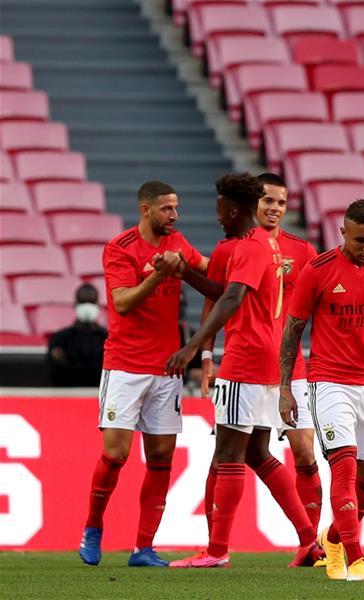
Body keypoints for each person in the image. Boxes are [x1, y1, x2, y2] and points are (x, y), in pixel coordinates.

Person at [165, 173, 320, 569]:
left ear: (234, 210)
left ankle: (217, 551)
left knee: (228, 455)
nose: (218, 218)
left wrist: (194, 345)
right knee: (259, 453)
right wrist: (186, 273)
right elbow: (228, 291)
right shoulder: (267, 246)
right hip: (271, 361)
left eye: (220, 210)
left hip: (246, 360)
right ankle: (308, 539)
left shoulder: (250, 248)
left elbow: (233, 298)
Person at [79, 181, 208, 567]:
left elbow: (207, 269)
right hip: (124, 366)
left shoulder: (178, 242)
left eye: (176, 208)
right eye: (167, 209)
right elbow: (122, 302)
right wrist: (157, 275)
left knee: (161, 459)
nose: (174, 216)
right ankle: (92, 528)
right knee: (115, 455)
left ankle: (143, 548)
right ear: (145, 209)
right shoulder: (120, 249)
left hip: (167, 369)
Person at [279, 199, 364, 582]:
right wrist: (285, 387)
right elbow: (292, 330)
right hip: (329, 381)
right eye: (360, 240)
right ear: (343, 234)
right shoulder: (317, 271)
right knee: (344, 467)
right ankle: (356, 557)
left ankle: (334, 537)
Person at [256, 172, 323, 543]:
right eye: (268, 200)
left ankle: (310, 541)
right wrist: (205, 355)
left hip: (291, 367)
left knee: (304, 451)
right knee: (232, 455)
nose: (275, 208)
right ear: (255, 202)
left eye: (281, 202)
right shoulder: (242, 247)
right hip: (248, 368)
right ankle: (215, 544)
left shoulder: (303, 251)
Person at [47, 283, 107, 387]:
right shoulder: (59, 339)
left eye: (91, 302)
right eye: (83, 302)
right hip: (68, 396)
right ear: (75, 305)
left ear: (97, 305)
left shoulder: (108, 338)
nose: (87, 306)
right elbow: (53, 375)